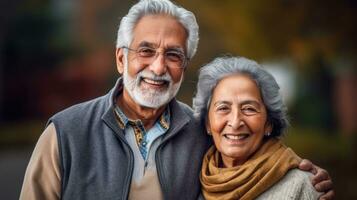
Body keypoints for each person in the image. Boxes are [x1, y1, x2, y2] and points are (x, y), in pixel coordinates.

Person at [20, 0, 333, 199]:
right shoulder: (65, 133)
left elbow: (251, 150)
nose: (158, 67)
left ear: (184, 65)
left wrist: (302, 174)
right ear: (120, 59)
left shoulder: (202, 130)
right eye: (146, 51)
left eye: (173, 54)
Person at [193, 56, 327, 199]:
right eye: (223, 108)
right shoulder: (191, 181)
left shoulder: (302, 185)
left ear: (268, 122)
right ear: (208, 122)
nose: (236, 122)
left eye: (249, 109)